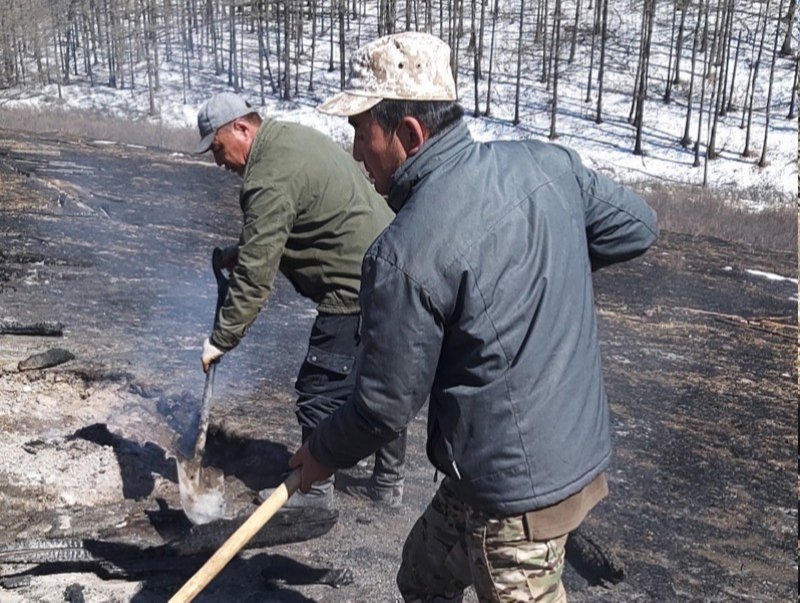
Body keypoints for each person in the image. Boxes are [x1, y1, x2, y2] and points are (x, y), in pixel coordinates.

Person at [289, 31, 658, 601]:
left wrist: (319, 453)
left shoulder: (403, 254)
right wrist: (540, 253)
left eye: (361, 134)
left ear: (408, 133)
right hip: (536, 458)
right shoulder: (548, 163)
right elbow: (638, 226)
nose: (356, 154)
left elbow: (382, 409)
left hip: (513, 503)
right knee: (422, 575)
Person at [196, 91, 407, 508]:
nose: (219, 163)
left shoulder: (267, 175)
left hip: (355, 283)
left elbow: (257, 274)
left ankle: (314, 490)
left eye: (219, 149)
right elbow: (287, 223)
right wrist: (242, 251)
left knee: (320, 386)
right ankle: (388, 485)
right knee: (382, 379)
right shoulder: (287, 140)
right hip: (393, 267)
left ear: (242, 127)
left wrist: (222, 338)